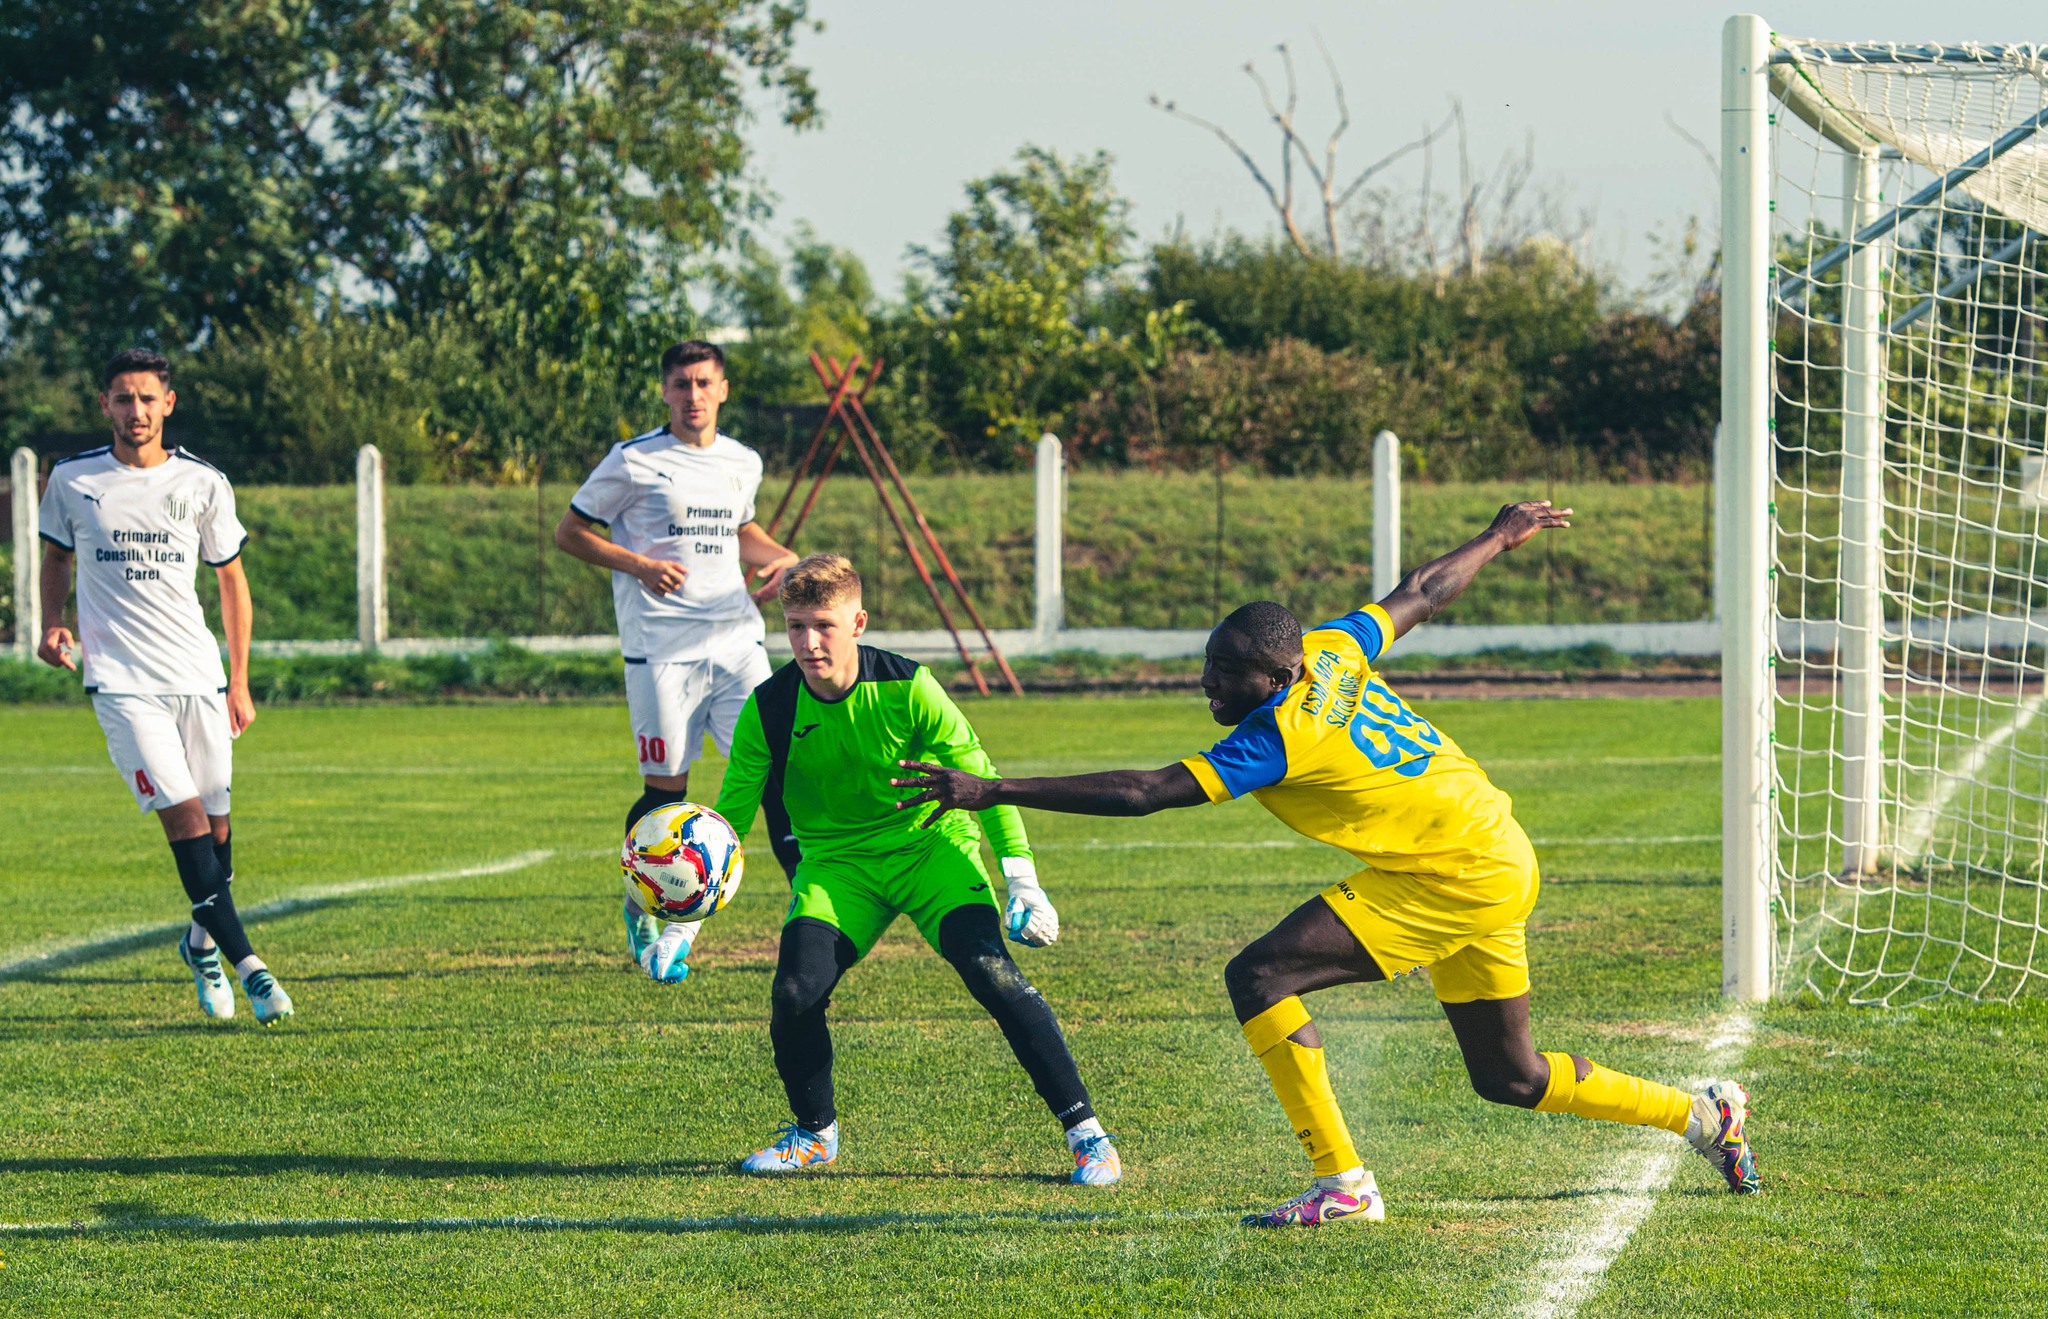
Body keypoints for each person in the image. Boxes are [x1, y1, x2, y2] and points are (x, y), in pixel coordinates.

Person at [893, 501, 1759, 1227]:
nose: (1209, 687)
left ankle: (1343, 1184)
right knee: (1510, 1077)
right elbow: (1419, 592)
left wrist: (990, 787)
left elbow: (1147, 791)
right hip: (1494, 850)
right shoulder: (1335, 650)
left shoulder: (1276, 735)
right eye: (1208, 667)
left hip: (1450, 872)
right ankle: (1701, 1115)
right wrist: (1500, 534)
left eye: (1225, 676)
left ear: (1275, 674)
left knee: (1260, 975)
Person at [713, 554, 1120, 1185]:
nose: (808, 641)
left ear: (858, 621)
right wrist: (685, 921)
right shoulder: (768, 707)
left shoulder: (909, 685)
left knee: (991, 972)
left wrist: (1023, 880)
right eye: (795, 626)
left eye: (824, 624)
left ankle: (1087, 1135)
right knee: (796, 993)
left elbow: (982, 778)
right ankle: (814, 1136)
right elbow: (728, 823)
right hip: (839, 867)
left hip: (931, 849)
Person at [36, 347, 292, 1024]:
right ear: (105, 405)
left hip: (198, 677)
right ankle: (251, 968)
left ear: (168, 403)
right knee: (182, 818)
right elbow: (56, 557)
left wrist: (239, 678)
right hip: (121, 683)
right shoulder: (73, 479)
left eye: (148, 398)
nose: (136, 410)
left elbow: (232, 583)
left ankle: (199, 944)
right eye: (123, 398)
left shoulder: (204, 483)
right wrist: (52, 624)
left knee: (217, 827)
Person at [554, 339, 800, 983]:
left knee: (782, 773)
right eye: (681, 384)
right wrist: (639, 565)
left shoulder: (743, 461)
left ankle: (812, 912)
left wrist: (783, 559)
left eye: (703, 383)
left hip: (737, 642)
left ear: (723, 389)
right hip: (661, 648)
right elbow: (571, 533)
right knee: (668, 791)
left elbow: (740, 532)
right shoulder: (633, 460)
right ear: (664, 392)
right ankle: (643, 899)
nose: (692, 395)